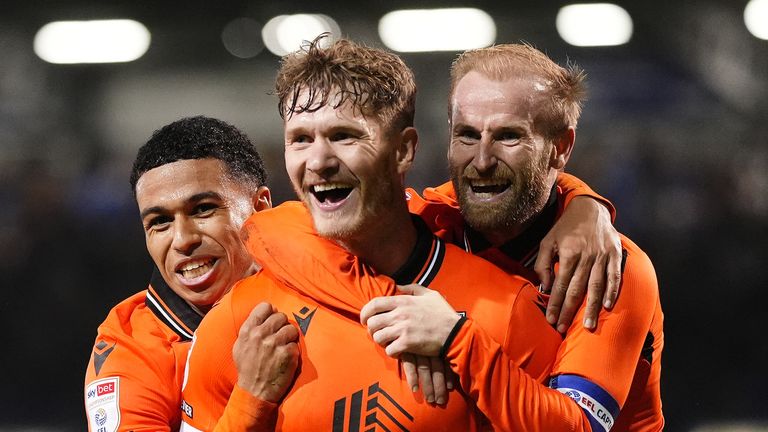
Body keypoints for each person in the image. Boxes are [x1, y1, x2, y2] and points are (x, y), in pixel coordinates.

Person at [180, 37, 632, 432]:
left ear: (404, 150)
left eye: (344, 136)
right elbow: (270, 226)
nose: (318, 161)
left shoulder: (512, 308)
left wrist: (456, 341)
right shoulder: (245, 319)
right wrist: (250, 402)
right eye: (300, 139)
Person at [352, 44, 665, 431]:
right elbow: (286, 228)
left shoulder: (610, 267)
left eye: (508, 137)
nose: (482, 161)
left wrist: (455, 339)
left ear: (560, 148)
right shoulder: (428, 221)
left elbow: (578, 427)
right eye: (467, 135)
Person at [83, 116, 296, 431]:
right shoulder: (131, 349)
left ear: (261, 207)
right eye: (160, 222)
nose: (183, 240)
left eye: (202, 209)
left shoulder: (320, 280)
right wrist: (252, 398)